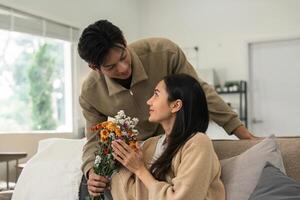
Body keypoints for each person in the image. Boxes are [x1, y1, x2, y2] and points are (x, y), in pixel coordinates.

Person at [77, 19, 255, 199]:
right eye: (111, 67)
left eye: (123, 57)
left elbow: (199, 92)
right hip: (145, 152)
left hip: (175, 144)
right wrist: (92, 172)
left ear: (124, 41)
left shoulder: (164, 53)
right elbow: (93, 139)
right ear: (95, 68)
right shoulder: (90, 92)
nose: (123, 68)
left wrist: (244, 135)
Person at [110, 73, 225, 199]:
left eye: (156, 94)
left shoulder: (198, 143)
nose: (149, 101)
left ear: (175, 105)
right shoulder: (150, 145)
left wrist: (139, 169)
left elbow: (183, 197)